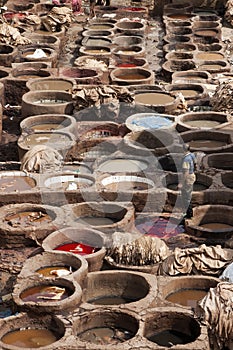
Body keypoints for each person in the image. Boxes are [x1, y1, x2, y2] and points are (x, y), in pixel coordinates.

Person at [178, 143, 196, 220]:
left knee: (186, 196)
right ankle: (188, 213)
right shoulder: (192, 155)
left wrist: (181, 183)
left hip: (187, 178)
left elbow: (186, 172)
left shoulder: (186, 159)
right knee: (188, 195)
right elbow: (195, 163)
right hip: (192, 176)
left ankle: (189, 214)